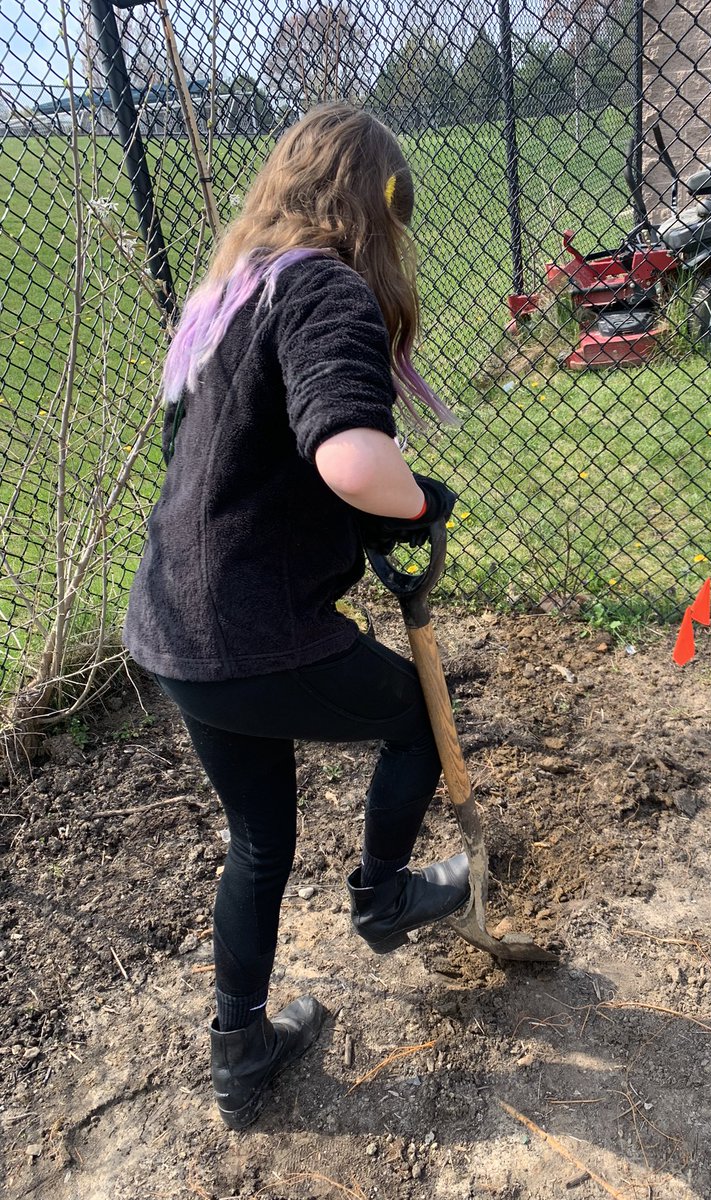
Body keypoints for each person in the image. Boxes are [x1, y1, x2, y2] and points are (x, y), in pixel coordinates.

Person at [123, 102, 470, 1132]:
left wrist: (344, 526)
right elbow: (350, 457)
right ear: (381, 203)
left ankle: (240, 1054)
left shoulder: (230, 292)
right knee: (410, 716)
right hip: (248, 630)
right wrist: (414, 501)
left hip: (175, 630)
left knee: (259, 838)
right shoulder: (325, 285)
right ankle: (384, 896)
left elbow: (240, 458)